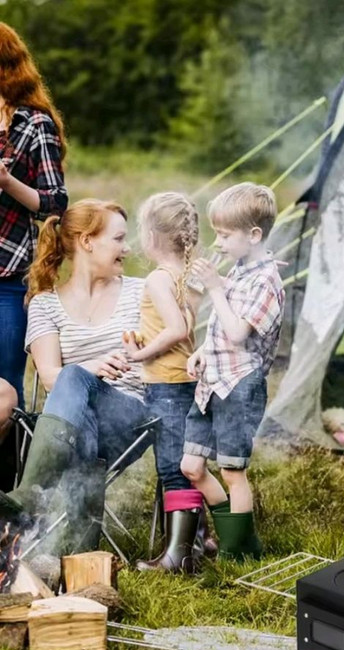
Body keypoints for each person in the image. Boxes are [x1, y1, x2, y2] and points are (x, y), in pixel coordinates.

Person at [0, 199, 149, 553]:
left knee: (73, 378)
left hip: (127, 417)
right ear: (86, 242)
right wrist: (90, 367)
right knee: (70, 381)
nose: (126, 248)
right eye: (118, 239)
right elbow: (50, 376)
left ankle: (26, 504)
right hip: (69, 428)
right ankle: (70, 553)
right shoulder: (45, 304)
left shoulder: (141, 292)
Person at [181, 182, 284, 559]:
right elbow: (225, 322)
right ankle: (241, 541)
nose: (218, 243)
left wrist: (213, 289)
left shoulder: (267, 281)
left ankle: (236, 551)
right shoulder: (243, 269)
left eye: (225, 235)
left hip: (240, 386)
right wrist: (204, 349)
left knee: (232, 472)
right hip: (214, 382)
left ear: (254, 235)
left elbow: (239, 331)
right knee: (192, 466)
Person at [123, 192, 213, 573]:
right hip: (184, 382)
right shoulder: (187, 277)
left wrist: (142, 355)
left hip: (166, 385)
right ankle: (198, 539)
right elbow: (187, 326)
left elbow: (176, 330)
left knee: (173, 469)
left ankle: (178, 558)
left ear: (152, 236)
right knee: (182, 460)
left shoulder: (159, 279)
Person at [0, 22, 68, 411]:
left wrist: (7, 181)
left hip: (8, 278)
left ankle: (11, 472)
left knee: (6, 388)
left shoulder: (33, 124)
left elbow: (55, 202)